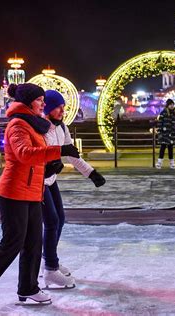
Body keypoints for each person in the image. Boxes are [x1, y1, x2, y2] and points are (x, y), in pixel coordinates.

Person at [0, 83, 80, 313]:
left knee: (33, 242)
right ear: (30, 102)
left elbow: (38, 157)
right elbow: (24, 154)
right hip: (13, 193)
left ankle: (28, 288)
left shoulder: (35, 123)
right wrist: (58, 152)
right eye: (40, 100)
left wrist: (52, 165)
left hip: (32, 191)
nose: (43, 103)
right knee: (12, 242)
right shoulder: (18, 124)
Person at [41, 90, 106, 288]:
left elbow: (72, 154)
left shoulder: (62, 127)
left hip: (51, 180)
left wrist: (91, 173)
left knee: (60, 219)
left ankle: (49, 260)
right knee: (51, 222)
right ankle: (50, 269)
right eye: (58, 107)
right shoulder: (41, 128)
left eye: (63, 106)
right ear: (48, 107)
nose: (62, 110)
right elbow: (38, 154)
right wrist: (50, 164)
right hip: (39, 181)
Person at [155, 99, 175, 169]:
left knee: (170, 148)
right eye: (170, 104)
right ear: (167, 105)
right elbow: (160, 123)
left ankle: (172, 163)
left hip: (172, 134)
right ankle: (159, 163)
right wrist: (160, 132)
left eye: (172, 104)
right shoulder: (163, 113)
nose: (172, 106)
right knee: (162, 148)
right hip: (164, 134)